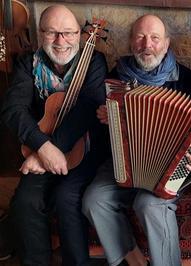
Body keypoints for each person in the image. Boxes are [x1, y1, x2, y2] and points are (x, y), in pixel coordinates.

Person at [82, 14, 191, 266]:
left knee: (148, 204)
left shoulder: (186, 80)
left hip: (171, 166)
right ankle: (135, 261)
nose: (147, 44)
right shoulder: (116, 77)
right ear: (132, 42)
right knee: (94, 200)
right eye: (140, 37)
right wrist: (106, 118)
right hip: (122, 161)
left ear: (166, 44)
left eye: (154, 38)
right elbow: (100, 134)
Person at [0, 5, 108, 266]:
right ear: (41, 33)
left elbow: (88, 108)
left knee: (66, 198)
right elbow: (13, 109)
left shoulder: (94, 61)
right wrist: (43, 148)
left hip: (84, 149)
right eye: (52, 33)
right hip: (44, 149)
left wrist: (46, 152)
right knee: (25, 201)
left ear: (79, 35)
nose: (61, 41)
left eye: (69, 33)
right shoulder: (29, 63)